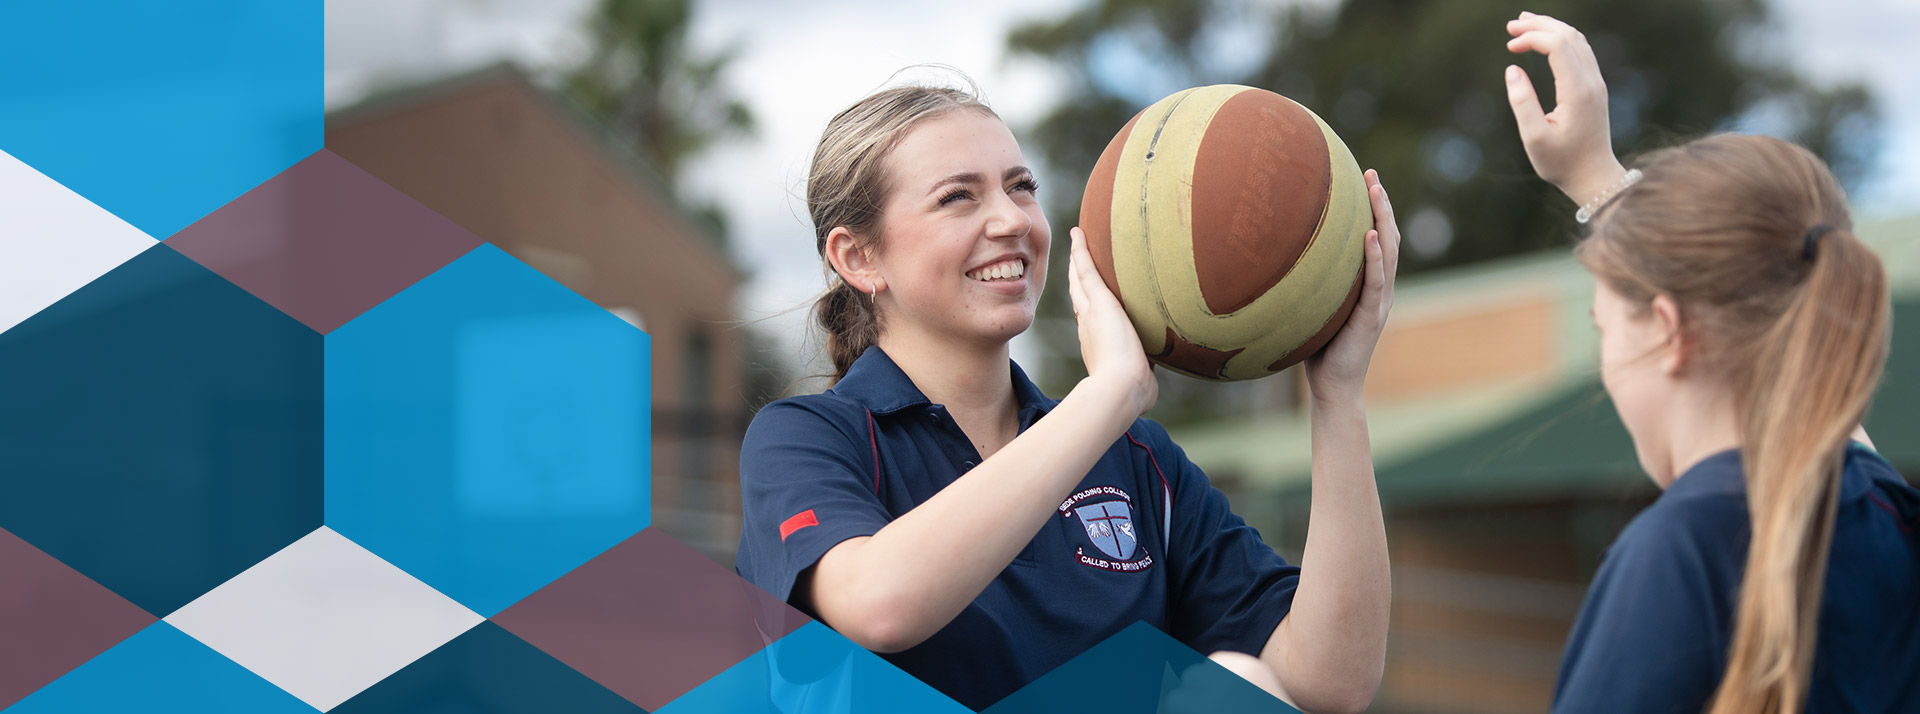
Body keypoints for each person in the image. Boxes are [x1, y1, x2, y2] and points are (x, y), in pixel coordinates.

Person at [734, 77, 1399, 713]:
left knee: (1237, 685)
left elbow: (1330, 681)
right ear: (858, 259)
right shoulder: (807, 438)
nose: (1010, 219)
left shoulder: (1136, 459)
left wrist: (1338, 399)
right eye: (957, 197)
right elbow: (879, 605)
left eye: (1021, 188)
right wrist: (1111, 391)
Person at [1503, 12, 1920, 714]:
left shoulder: (1681, 554)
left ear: (1668, 332)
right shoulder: (1886, 512)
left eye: (1603, 325)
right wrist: (1595, 178)